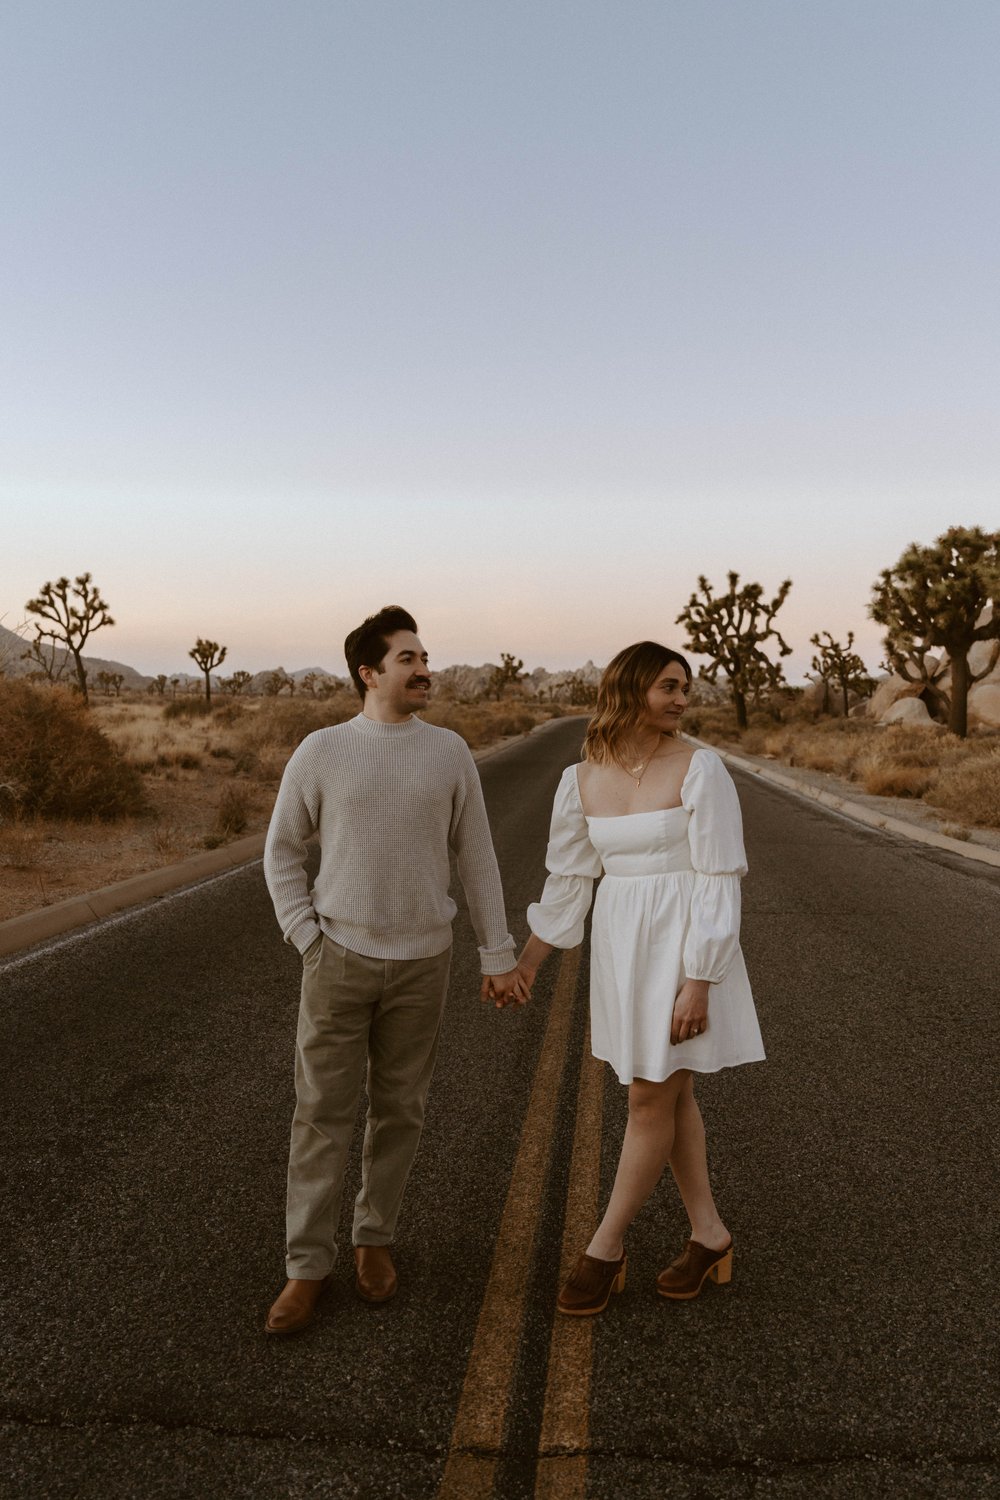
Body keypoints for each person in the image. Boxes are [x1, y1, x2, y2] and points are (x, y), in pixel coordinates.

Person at [263, 605, 520, 1335]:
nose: (424, 668)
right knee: (321, 1116)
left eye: (425, 655)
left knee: (400, 1111)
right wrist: (305, 936)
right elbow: (282, 849)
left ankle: (374, 1240)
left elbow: (476, 856)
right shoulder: (320, 751)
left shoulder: (449, 752)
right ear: (369, 672)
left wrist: (495, 951)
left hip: (423, 963)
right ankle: (305, 1267)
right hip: (338, 958)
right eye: (408, 658)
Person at [505, 640, 765, 1315]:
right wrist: (527, 964)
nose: (683, 698)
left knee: (648, 1100)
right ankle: (709, 1236)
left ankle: (604, 1247)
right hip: (623, 947)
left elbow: (718, 877)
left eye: (686, 686)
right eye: (668, 686)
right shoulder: (581, 779)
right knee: (669, 1098)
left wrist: (700, 978)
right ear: (629, 691)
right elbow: (568, 884)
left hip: (682, 950)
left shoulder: (701, 769)